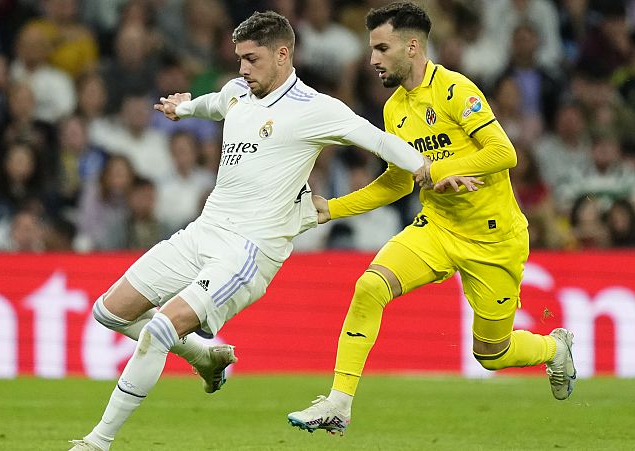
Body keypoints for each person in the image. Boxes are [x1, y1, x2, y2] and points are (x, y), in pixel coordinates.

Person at [68, 10, 430, 451]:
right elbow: (215, 104)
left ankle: (97, 442)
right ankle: (203, 356)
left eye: (252, 59)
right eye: (239, 58)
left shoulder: (316, 109)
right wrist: (184, 108)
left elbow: (379, 141)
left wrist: (426, 168)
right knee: (109, 312)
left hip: (247, 251)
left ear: (282, 55)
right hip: (202, 232)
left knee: (161, 329)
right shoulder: (238, 92)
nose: (242, 68)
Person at [287, 2, 576, 435]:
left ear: (412, 46)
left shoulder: (455, 90)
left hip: (493, 239)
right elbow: (398, 182)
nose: (373, 59)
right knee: (370, 287)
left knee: (492, 354)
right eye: (372, 49)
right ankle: (339, 404)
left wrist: (437, 169)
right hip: (437, 228)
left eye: (382, 48)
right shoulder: (394, 109)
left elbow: (504, 153)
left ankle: (554, 349)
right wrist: (333, 208)